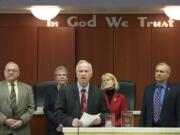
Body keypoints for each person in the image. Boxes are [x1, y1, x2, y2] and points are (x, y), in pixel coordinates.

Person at [55, 60, 109, 127]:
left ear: (91, 74)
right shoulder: (65, 91)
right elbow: (58, 113)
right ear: (76, 74)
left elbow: (106, 113)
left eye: (86, 71)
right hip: (72, 131)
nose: (83, 74)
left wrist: (100, 119)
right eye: (80, 71)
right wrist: (71, 121)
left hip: (92, 131)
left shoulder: (99, 92)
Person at [140, 62, 180, 127]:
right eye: (157, 71)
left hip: (168, 130)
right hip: (150, 129)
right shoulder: (148, 90)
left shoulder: (175, 90)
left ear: (168, 74)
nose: (158, 73)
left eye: (161, 72)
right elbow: (143, 113)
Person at [0, 61, 35, 135]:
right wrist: (4, 120)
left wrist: (22, 121)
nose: (11, 72)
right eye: (8, 70)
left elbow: (31, 108)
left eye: (14, 70)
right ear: (4, 72)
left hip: (22, 130)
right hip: (2, 129)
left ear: (18, 73)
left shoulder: (27, 88)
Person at [44, 66, 68, 135]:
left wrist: (64, 123)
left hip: (68, 126)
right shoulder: (49, 91)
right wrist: (58, 123)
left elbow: (73, 110)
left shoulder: (72, 91)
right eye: (59, 75)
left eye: (64, 75)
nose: (62, 77)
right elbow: (46, 110)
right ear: (55, 78)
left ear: (67, 78)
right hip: (53, 126)